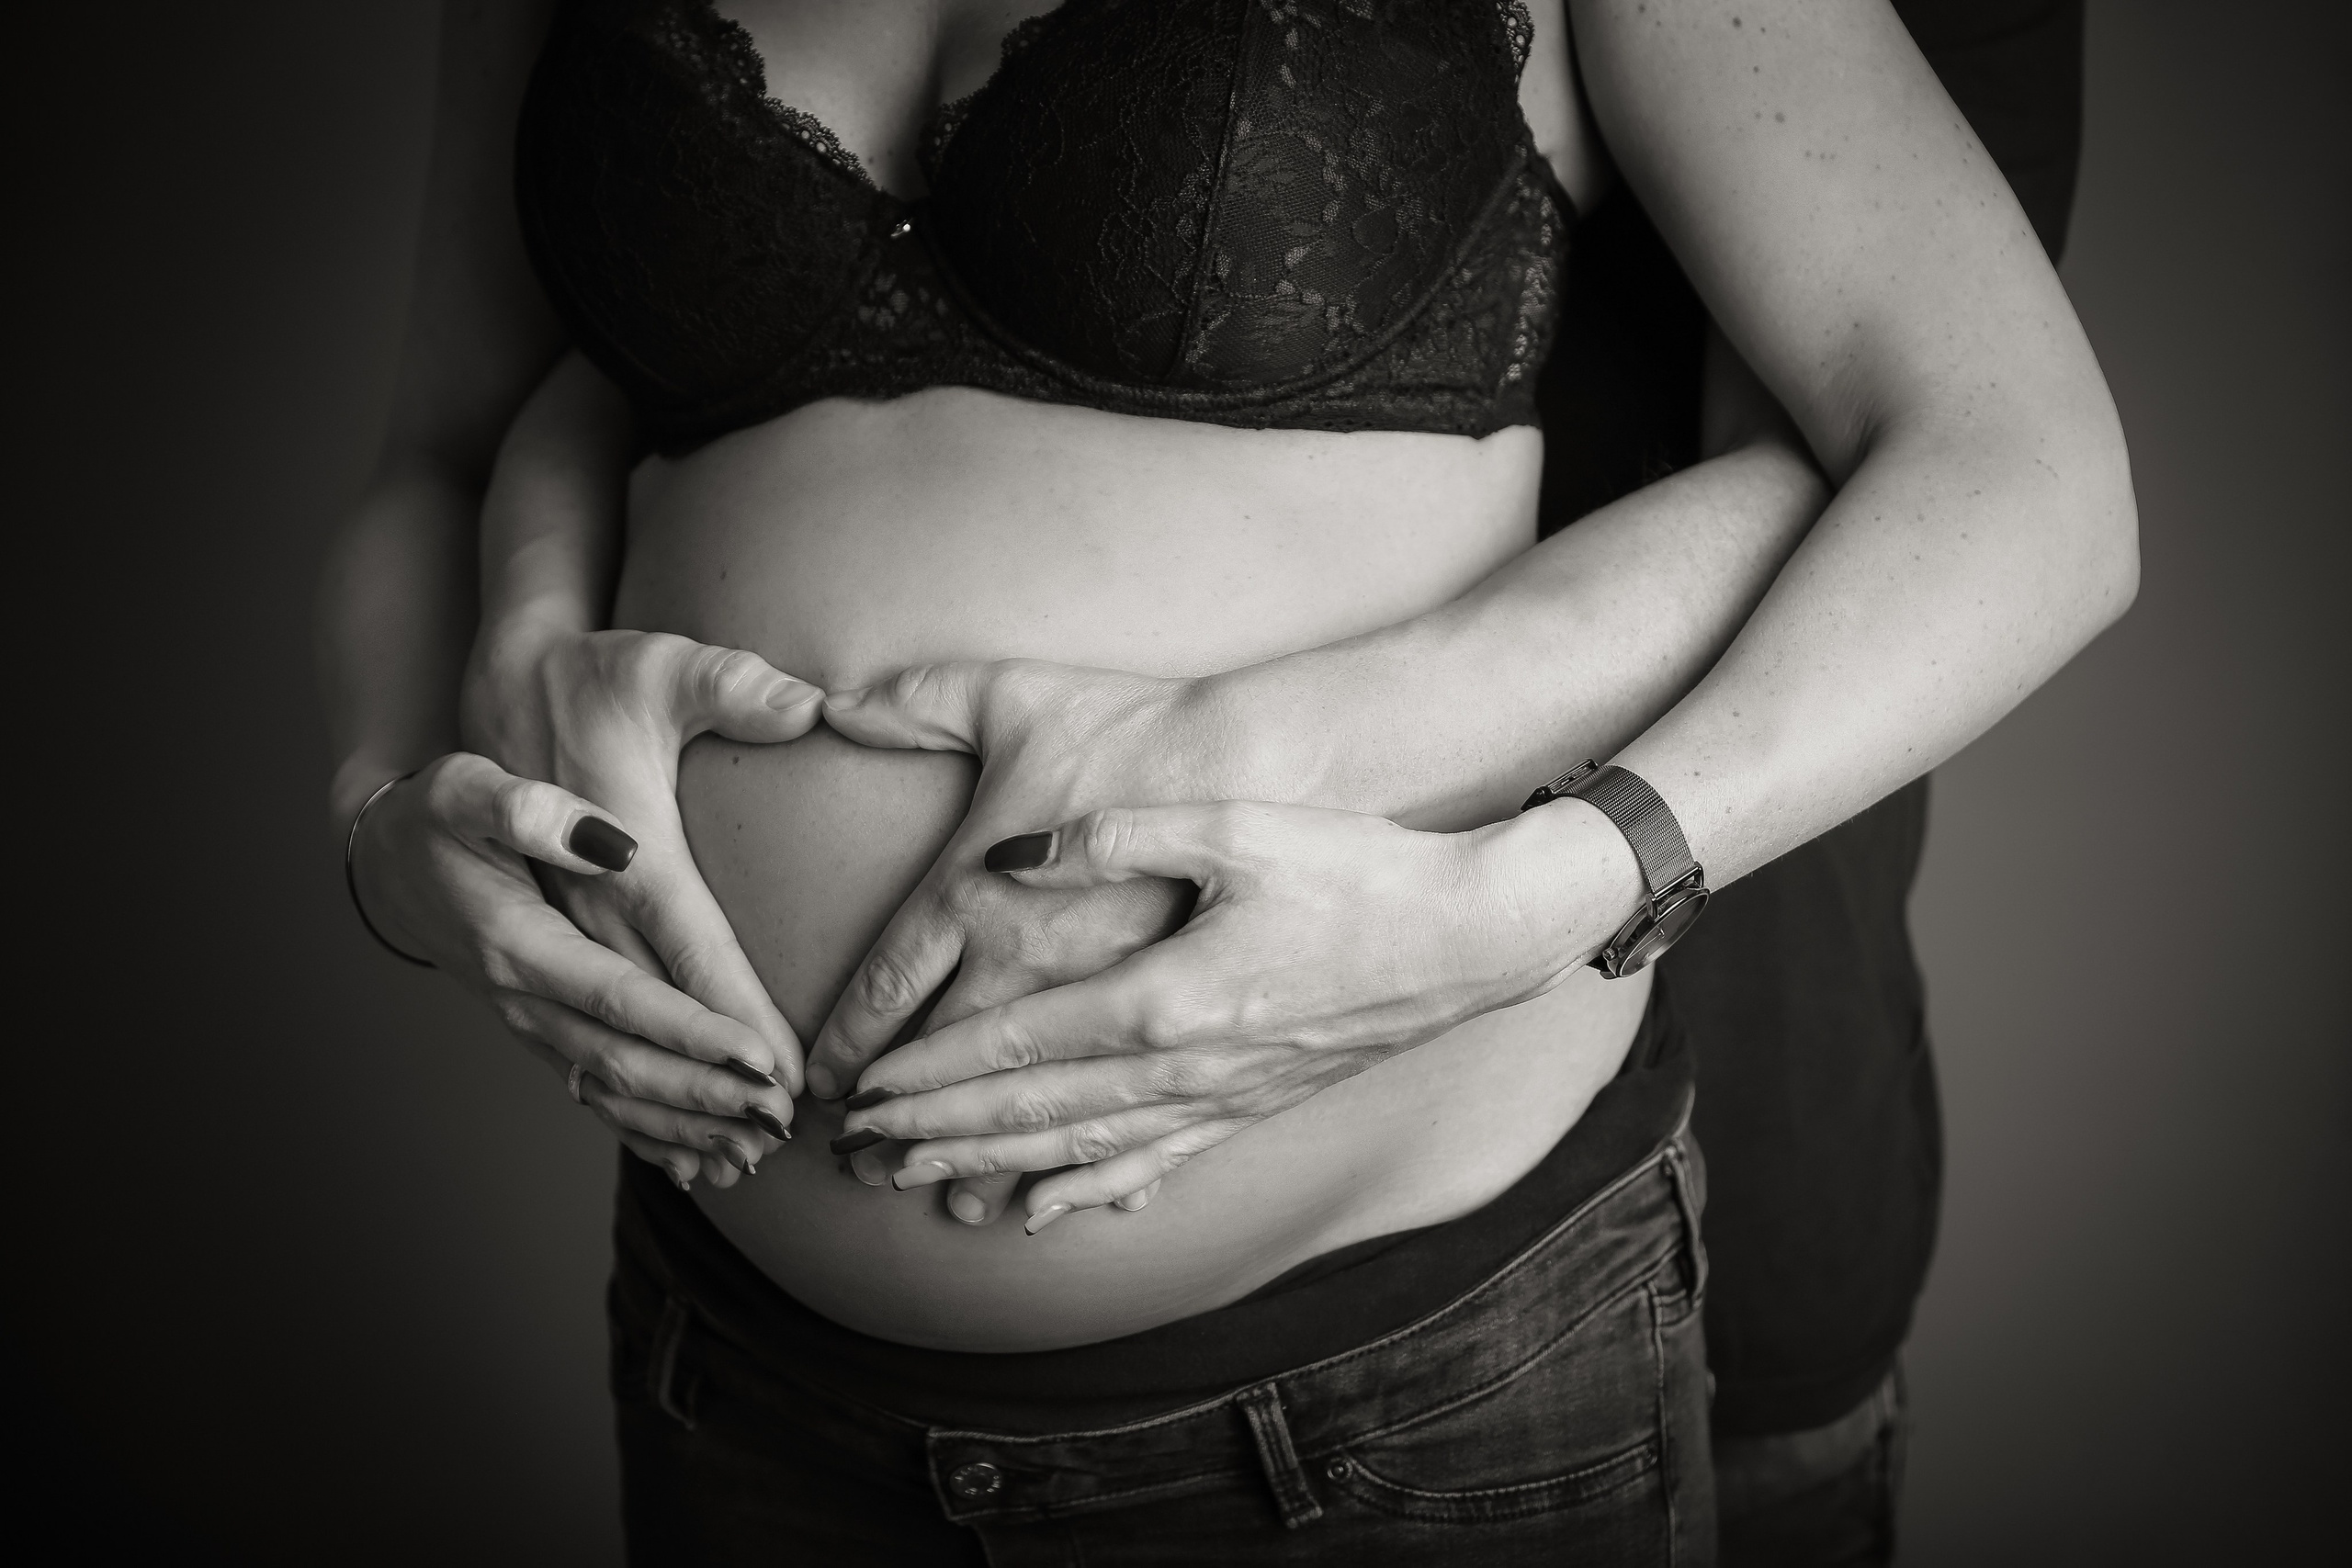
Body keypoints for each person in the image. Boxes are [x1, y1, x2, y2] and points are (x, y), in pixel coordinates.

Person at [320, 2, 2133, 1561]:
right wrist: (391, 825)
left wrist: (1542, 890)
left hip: (1404, 1381)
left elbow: (2011, 469)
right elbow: (439, 450)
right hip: (743, 1374)